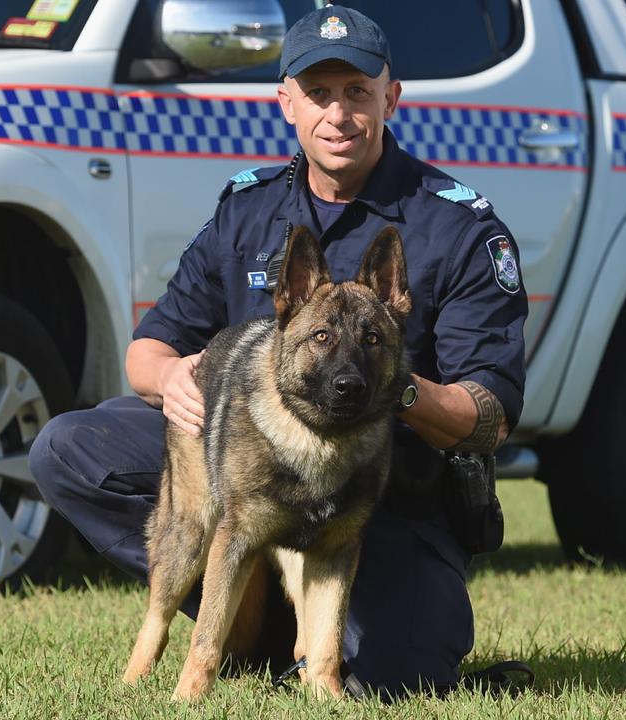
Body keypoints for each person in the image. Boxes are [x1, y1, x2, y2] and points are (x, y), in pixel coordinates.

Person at [29, 4, 527, 699]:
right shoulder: (248, 209)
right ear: (286, 103)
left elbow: (490, 415)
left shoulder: (454, 225)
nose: (339, 114)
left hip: (387, 506)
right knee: (68, 449)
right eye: (318, 94)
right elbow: (147, 349)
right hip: (249, 472)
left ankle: (277, 623)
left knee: (396, 674)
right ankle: (245, 588)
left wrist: (391, 389)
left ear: (391, 98)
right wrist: (170, 374)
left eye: (357, 92)